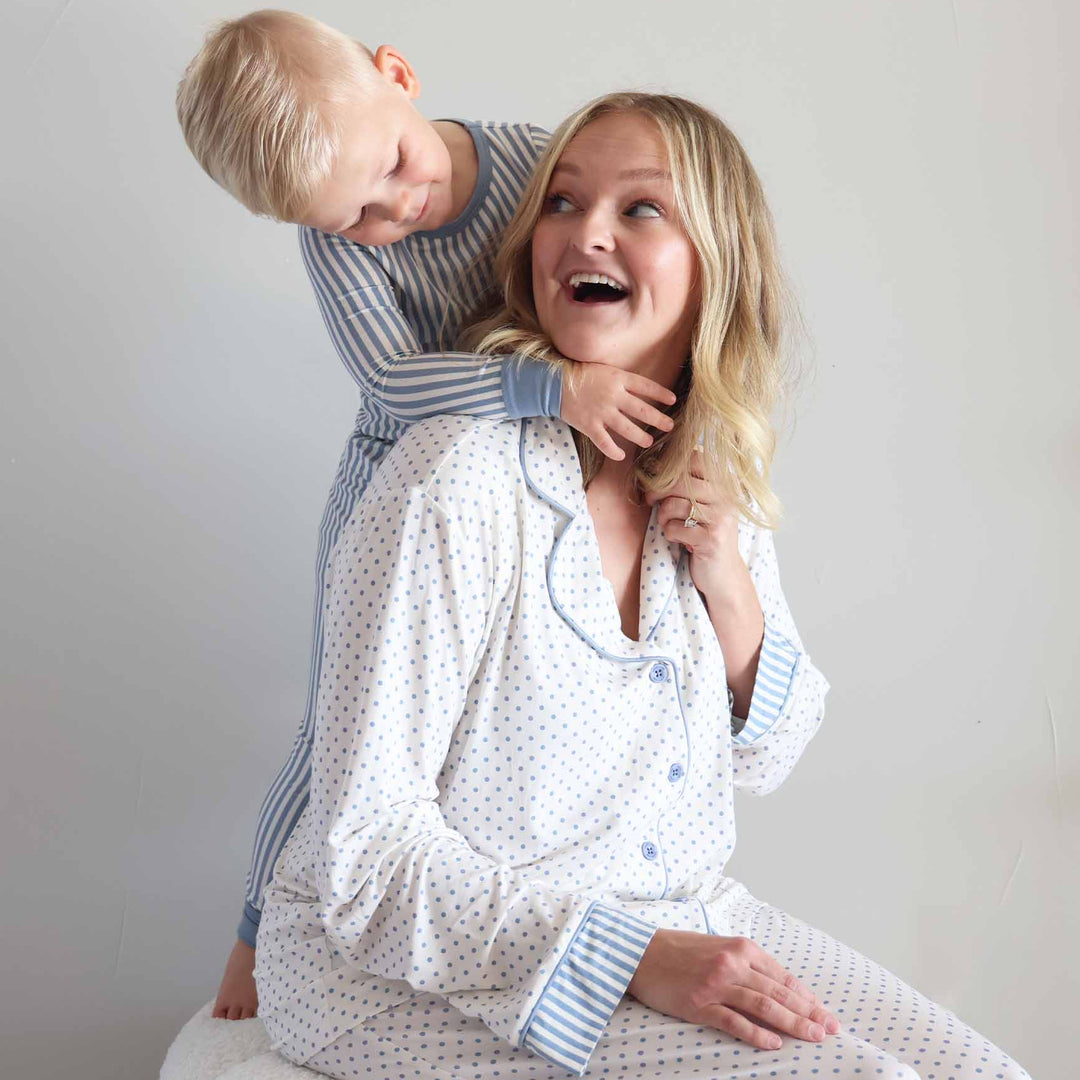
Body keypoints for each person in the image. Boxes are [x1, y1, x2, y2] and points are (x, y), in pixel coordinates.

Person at [251, 92, 1030, 1080]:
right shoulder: (453, 479)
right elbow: (362, 859)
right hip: (397, 982)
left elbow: (770, 757)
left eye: (640, 209)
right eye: (563, 204)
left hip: (681, 918)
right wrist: (637, 961)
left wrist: (731, 587)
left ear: (719, 260)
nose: (585, 235)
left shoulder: (711, 481)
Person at [175, 10, 679, 1019]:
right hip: (401, 482)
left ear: (397, 76)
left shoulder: (539, 169)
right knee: (338, 733)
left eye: (395, 167)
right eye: (354, 215)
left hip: (534, 471)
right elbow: (393, 383)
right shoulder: (344, 255)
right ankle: (256, 932)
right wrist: (552, 391)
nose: (395, 212)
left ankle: (527, 919)